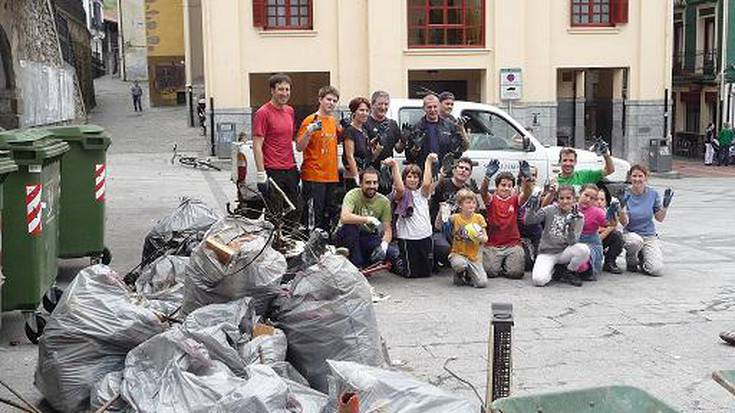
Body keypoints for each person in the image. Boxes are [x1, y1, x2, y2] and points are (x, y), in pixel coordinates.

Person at [251, 73, 300, 223]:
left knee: (294, 210)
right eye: (280, 89)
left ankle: (290, 243)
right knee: (275, 214)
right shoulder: (263, 113)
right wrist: (261, 174)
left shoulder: (290, 111)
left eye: (287, 90)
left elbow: (288, 140)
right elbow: (257, 145)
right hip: (273, 170)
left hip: (290, 169)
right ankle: (274, 244)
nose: (284, 93)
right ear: (272, 90)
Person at [525, 185, 590, 287]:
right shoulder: (549, 210)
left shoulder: (578, 216)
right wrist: (531, 207)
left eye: (568, 198)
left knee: (584, 250)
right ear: (557, 199)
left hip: (565, 251)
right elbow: (529, 221)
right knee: (538, 281)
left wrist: (570, 226)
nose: (565, 201)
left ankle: (570, 271)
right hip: (547, 252)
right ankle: (555, 270)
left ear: (574, 199)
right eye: (561, 198)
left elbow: (573, 242)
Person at [297, 85, 342, 231]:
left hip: (331, 176)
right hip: (314, 176)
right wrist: (308, 132)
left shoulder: (334, 122)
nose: (331, 103)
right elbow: (299, 147)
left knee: (327, 216)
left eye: (335, 101)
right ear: (320, 100)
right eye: (328, 99)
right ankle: (310, 246)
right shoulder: (310, 120)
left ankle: (324, 246)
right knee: (313, 217)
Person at [479, 161, 534, 279]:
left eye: (509, 186)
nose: (506, 188)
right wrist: (487, 177)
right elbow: (483, 192)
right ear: (497, 186)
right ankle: (499, 263)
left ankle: (507, 264)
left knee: (515, 273)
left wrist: (527, 178)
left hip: (512, 244)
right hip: (493, 245)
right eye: (503, 185)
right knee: (489, 272)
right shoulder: (491, 199)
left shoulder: (515, 200)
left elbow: (527, 193)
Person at [333, 167, 393, 268]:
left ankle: (366, 261)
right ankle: (357, 264)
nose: (372, 186)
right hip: (345, 235)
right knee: (351, 227)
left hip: (366, 236)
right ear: (360, 183)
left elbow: (387, 230)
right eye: (368, 182)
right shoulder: (352, 195)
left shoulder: (384, 202)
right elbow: (345, 217)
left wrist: (384, 246)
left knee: (390, 252)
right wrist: (369, 219)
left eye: (375, 182)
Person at [619, 165, 672, 276]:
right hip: (631, 234)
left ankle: (643, 258)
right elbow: (624, 223)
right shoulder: (625, 194)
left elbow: (659, 218)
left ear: (646, 178)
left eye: (640, 176)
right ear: (629, 178)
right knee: (636, 241)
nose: (637, 179)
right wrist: (622, 208)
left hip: (648, 235)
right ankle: (631, 260)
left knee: (656, 270)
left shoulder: (653, 194)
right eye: (634, 176)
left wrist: (665, 206)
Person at [388, 154, 435, 278]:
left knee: (426, 272)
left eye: (415, 177)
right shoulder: (400, 194)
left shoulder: (422, 194)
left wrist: (428, 161)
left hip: (425, 235)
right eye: (409, 176)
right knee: (410, 273)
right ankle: (394, 258)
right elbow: (399, 188)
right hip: (408, 237)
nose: (412, 179)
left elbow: (426, 183)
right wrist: (394, 166)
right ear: (404, 179)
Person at [430, 157, 479, 269]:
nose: (463, 170)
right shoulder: (443, 184)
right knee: (444, 249)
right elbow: (429, 192)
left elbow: (475, 213)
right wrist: (440, 176)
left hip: (459, 230)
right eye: (460, 167)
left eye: (466, 169)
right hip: (439, 229)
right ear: (454, 170)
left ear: (470, 173)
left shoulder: (468, 190)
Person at [406, 94, 468, 172]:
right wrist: (416, 148)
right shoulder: (416, 128)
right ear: (424, 108)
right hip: (423, 172)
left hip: (444, 173)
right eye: (429, 107)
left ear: (439, 107)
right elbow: (409, 157)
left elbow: (458, 153)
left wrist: (456, 146)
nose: (432, 110)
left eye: (435, 107)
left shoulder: (449, 126)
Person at [447, 189, 488, 288]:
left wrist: (481, 237)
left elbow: (486, 238)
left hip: (474, 255)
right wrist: (442, 213)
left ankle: (469, 275)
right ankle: (460, 273)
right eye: (468, 203)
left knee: (482, 283)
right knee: (459, 264)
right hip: (458, 253)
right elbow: (439, 225)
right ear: (460, 205)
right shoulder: (455, 218)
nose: (472, 205)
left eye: (474, 202)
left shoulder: (479, 218)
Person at [343, 97, 383, 190]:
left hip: (366, 175)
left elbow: (369, 157)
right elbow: (349, 156)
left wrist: (377, 150)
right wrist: (356, 177)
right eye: (361, 110)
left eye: (367, 110)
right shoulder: (349, 131)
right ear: (354, 112)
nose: (365, 113)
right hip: (354, 178)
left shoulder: (364, 131)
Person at [365, 91, 404, 169]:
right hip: (370, 170)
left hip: (388, 170)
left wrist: (403, 140)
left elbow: (398, 149)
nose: (383, 107)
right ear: (372, 105)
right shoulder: (365, 123)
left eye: (386, 104)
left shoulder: (392, 124)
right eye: (380, 104)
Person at [577, 184, 608, 280]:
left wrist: (617, 211)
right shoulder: (570, 207)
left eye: (592, 198)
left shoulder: (598, 212)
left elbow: (611, 223)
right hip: (572, 241)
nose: (588, 199)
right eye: (586, 195)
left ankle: (587, 270)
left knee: (581, 265)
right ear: (580, 193)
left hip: (591, 244)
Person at [596, 187, 624, 274]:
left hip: (603, 239)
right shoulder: (589, 212)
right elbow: (596, 234)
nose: (599, 202)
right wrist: (609, 228)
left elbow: (615, 226)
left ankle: (610, 261)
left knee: (617, 236)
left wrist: (618, 211)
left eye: (602, 200)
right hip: (591, 241)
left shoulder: (608, 212)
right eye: (597, 199)